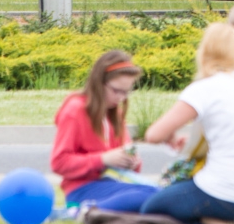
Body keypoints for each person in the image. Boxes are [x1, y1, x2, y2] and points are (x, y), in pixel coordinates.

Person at [141, 23, 234, 224]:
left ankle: (217, 223)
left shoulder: (204, 89)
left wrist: (170, 134)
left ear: (204, 51)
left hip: (224, 192)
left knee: (152, 208)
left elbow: (153, 135)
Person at [50, 50, 158, 212]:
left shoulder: (114, 113)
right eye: (116, 91)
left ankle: (93, 211)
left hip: (111, 184)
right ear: (99, 84)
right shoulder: (75, 110)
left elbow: (130, 161)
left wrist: (131, 160)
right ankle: (82, 211)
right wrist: (103, 159)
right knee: (151, 197)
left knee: (160, 196)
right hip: (82, 189)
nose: (121, 98)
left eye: (126, 92)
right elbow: (59, 162)